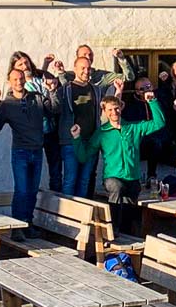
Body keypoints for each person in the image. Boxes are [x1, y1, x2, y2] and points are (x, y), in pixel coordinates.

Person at [71, 92, 166, 234]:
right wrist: (76, 138)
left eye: (116, 108)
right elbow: (84, 156)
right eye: (110, 109)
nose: (114, 112)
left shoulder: (133, 127)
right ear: (104, 111)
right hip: (112, 177)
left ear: (121, 108)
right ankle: (111, 230)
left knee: (129, 213)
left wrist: (152, 102)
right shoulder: (102, 133)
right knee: (116, 187)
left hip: (132, 178)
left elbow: (159, 123)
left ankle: (126, 237)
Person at [0, 69, 58, 237]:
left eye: (20, 79)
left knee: (32, 191)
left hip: (37, 151)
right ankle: (17, 227)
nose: (18, 82)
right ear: (9, 82)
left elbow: (54, 110)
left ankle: (28, 224)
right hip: (20, 152)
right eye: (15, 79)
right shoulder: (6, 105)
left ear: (24, 80)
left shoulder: (37, 97)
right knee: (22, 190)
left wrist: (52, 91)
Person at [56, 56, 115, 198]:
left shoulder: (96, 90)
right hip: (70, 141)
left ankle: (80, 210)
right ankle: (68, 211)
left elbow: (108, 106)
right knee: (70, 180)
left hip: (91, 141)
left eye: (88, 68)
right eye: (83, 68)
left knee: (84, 180)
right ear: (75, 69)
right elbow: (54, 107)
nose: (86, 71)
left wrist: (119, 90)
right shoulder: (65, 89)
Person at [5, 51, 61, 192]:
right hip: (32, 135)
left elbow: (49, 98)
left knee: (55, 169)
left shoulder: (41, 78)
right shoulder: (17, 87)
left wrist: (46, 65)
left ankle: (57, 199)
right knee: (30, 175)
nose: (25, 66)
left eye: (26, 62)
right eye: (20, 64)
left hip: (50, 129)